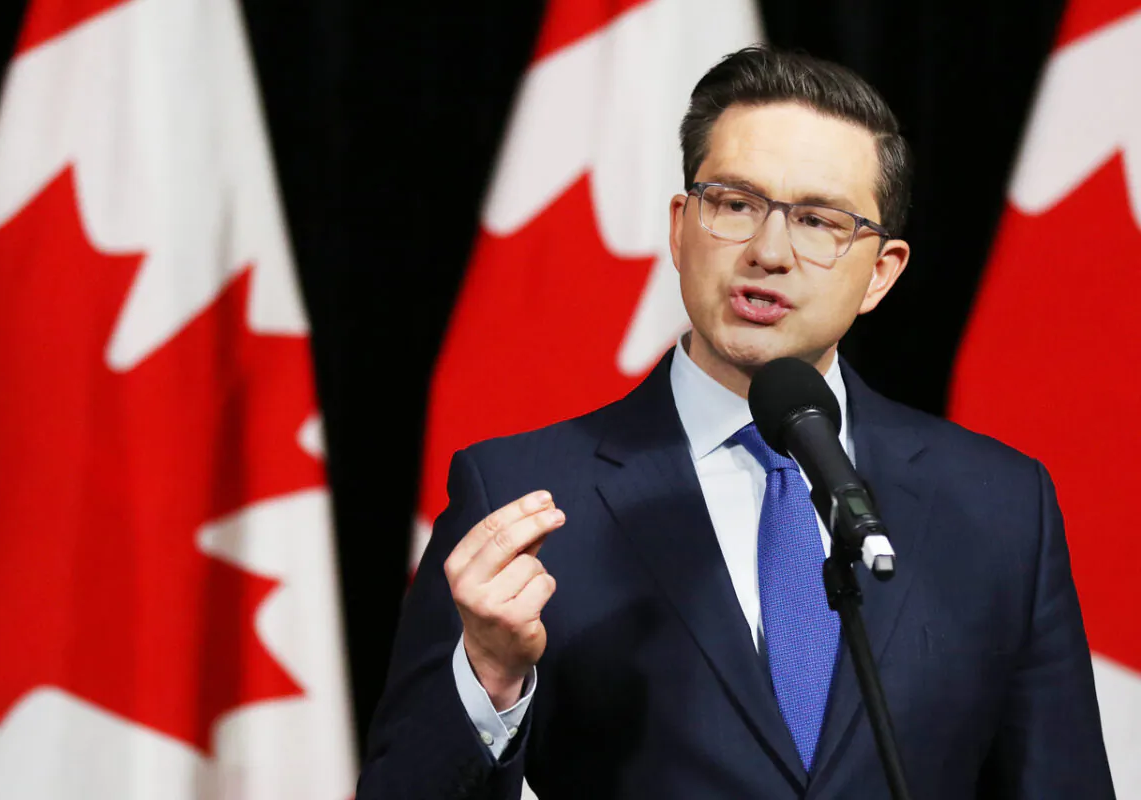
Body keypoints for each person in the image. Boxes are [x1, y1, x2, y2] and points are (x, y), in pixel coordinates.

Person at [355, 46, 1114, 799]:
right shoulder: (523, 497)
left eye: (818, 221)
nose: (768, 251)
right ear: (682, 226)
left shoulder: (1000, 505)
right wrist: (487, 676)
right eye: (736, 204)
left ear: (880, 272)